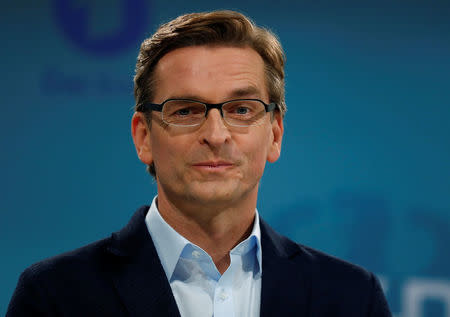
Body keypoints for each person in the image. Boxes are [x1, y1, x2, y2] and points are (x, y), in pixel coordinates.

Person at [7, 10, 392, 317]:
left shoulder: (352, 297)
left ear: (274, 133)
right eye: (187, 110)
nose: (216, 133)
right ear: (144, 137)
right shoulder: (55, 295)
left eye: (241, 109)